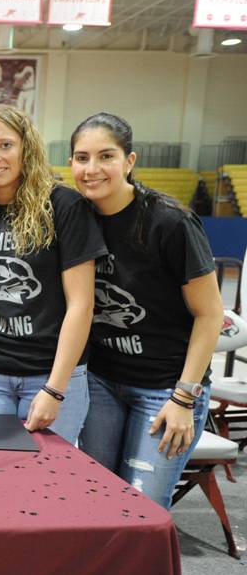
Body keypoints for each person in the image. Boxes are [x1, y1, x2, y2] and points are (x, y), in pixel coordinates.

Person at [71, 112, 223, 508]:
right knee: (95, 501)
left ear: (130, 161)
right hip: (102, 382)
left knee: (141, 509)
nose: (92, 169)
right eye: (81, 157)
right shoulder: (75, 218)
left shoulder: (170, 223)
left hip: (165, 389)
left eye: (105, 156)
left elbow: (209, 315)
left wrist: (184, 398)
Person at [0, 104, 106, 444]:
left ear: (27, 148)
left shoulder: (64, 206)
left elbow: (81, 305)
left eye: (5, 145)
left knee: (51, 484)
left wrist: (55, 387)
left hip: (49, 374)